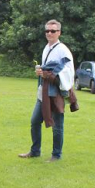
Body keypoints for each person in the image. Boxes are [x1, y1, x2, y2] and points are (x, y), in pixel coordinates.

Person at [18, 19, 78, 162]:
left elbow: (68, 73)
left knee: (57, 125)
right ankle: (35, 151)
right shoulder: (47, 47)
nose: (49, 33)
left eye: (53, 31)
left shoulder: (63, 50)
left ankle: (56, 155)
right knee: (34, 121)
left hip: (55, 93)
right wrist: (41, 71)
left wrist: (46, 74)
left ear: (59, 33)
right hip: (43, 93)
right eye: (47, 31)